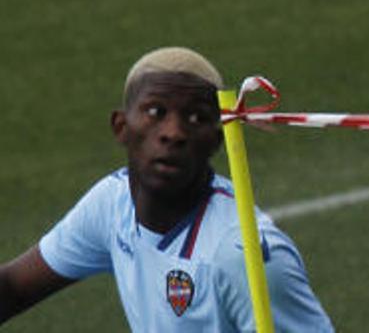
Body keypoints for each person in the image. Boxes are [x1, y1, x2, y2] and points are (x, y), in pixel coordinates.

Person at [0, 47, 334, 332]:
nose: (173, 132)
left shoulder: (243, 259)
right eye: (156, 112)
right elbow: (13, 288)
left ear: (217, 140)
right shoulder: (113, 204)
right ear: (121, 127)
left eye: (197, 118)